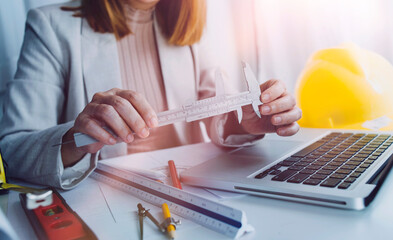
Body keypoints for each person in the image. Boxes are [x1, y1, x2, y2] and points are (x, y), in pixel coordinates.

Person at [0, 0, 301, 189]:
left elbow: (218, 115)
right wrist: (74, 139)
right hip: (102, 202)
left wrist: (245, 122)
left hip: (189, 189)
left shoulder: (189, 30)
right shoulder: (49, 26)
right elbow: (13, 152)